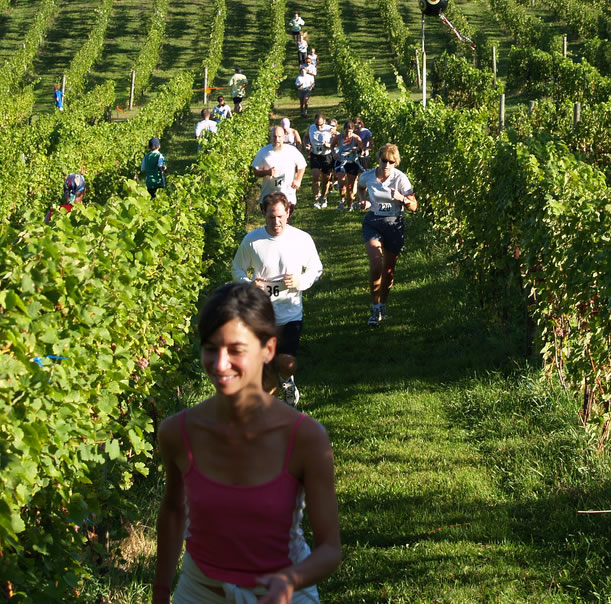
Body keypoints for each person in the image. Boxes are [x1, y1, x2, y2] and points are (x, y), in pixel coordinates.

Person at [152, 281, 340, 604]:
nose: (220, 364)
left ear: (268, 349)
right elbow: (172, 511)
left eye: (236, 350)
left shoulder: (306, 438)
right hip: (200, 593)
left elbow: (330, 548)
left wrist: (290, 580)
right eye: (210, 348)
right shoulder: (178, 433)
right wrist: (160, 592)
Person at [231, 192, 323, 406]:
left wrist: (300, 281)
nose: (276, 222)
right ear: (263, 213)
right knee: (266, 370)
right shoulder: (252, 241)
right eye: (271, 217)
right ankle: (275, 414)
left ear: (288, 212)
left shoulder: (301, 239)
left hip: (290, 313)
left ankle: (288, 381)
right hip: (261, 315)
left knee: (286, 362)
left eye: (280, 216)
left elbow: (316, 268)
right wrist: (249, 284)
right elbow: (237, 268)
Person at [355, 144, 417, 327]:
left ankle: (383, 304)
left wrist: (402, 198)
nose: (387, 165)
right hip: (373, 222)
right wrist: (362, 201)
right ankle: (374, 309)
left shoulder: (401, 179)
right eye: (384, 160)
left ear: (396, 162)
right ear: (379, 159)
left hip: (394, 224)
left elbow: (414, 206)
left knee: (388, 270)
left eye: (391, 162)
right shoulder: (368, 176)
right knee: (376, 264)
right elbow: (360, 187)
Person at [251, 126, 307, 212]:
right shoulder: (263, 151)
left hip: (288, 195)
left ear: (284, 137)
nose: (276, 139)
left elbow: (302, 165)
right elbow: (256, 171)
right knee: (272, 222)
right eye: (274, 136)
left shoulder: (291, 150)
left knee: (284, 221)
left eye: (279, 137)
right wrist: (267, 172)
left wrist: (298, 180)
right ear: (271, 137)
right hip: (269, 195)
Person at [305, 114, 334, 208]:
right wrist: (307, 145)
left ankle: (324, 197)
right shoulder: (310, 128)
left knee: (326, 179)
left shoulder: (330, 129)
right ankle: (316, 200)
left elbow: (338, 140)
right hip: (315, 155)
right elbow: (306, 137)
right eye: (317, 124)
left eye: (320, 125)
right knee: (315, 177)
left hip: (326, 156)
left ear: (325, 122)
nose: (318, 127)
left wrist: (330, 145)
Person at [332, 122, 363, 212]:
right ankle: (342, 201)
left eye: (350, 132)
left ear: (353, 131)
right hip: (341, 161)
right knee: (342, 182)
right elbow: (332, 146)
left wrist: (357, 149)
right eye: (346, 132)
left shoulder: (356, 138)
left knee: (350, 186)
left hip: (352, 162)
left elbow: (362, 150)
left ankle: (350, 205)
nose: (348, 134)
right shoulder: (338, 137)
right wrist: (334, 154)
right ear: (344, 130)